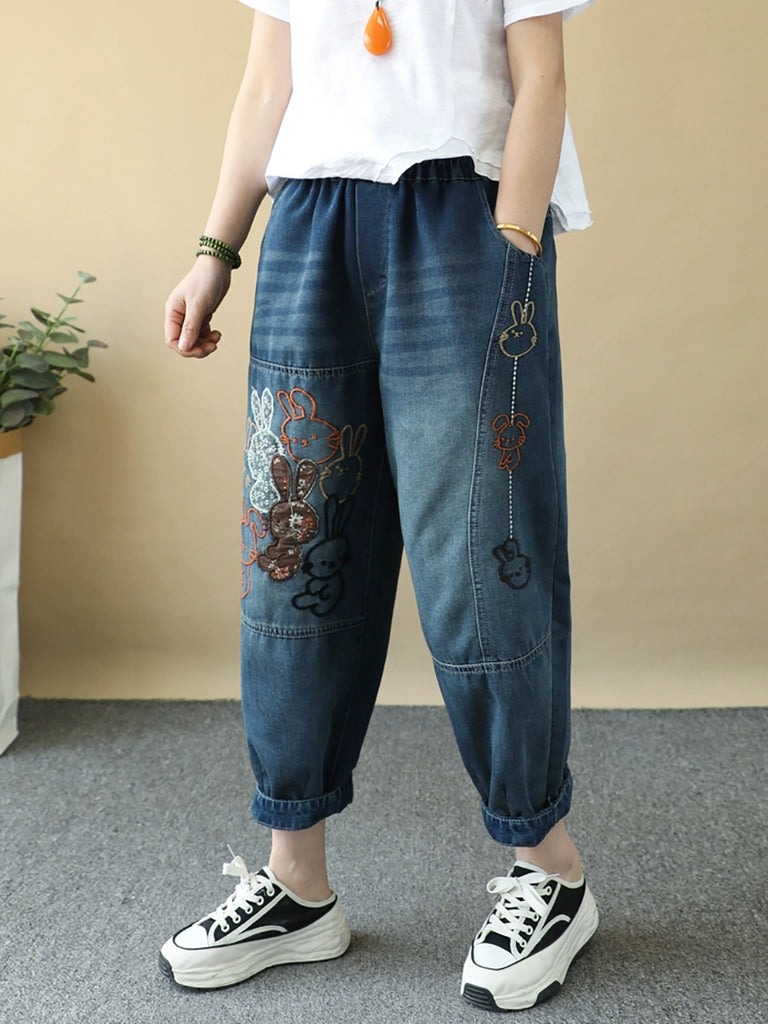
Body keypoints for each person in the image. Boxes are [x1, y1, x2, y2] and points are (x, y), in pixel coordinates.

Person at [161, 0, 598, 1011]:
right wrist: (215, 251)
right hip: (309, 226)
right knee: (294, 555)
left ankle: (550, 867)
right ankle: (296, 882)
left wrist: (513, 242)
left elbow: (541, 77)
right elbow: (268, 83)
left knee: (481, 558)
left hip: (462, 218)